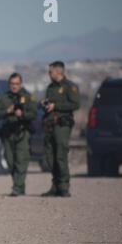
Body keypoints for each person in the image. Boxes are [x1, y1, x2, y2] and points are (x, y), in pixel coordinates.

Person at [0, 73, 37, 196]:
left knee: (21, 160)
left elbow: (33, 113)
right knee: (10, 160)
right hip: (8, 132)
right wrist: (7, 111)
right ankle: (19, 186)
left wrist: (22, 114)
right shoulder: (4, 98)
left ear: (21, 84)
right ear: (9, 84)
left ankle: (17, 187)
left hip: (23, 131)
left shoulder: (28, 97)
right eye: (12, 84)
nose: (14, 86)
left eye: (17, 84)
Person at [41, 61, 80, 197]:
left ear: (58, 71)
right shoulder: (50, 87)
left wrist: (56, 106)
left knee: (60, 155)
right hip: (50, 124)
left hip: (62, 124)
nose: (49, 74)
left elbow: (75, 104)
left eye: (50, 71)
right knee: (50, 156)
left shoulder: (70, 87)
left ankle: (63, 186)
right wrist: (45, 104)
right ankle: (55, 185)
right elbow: (49, 103)